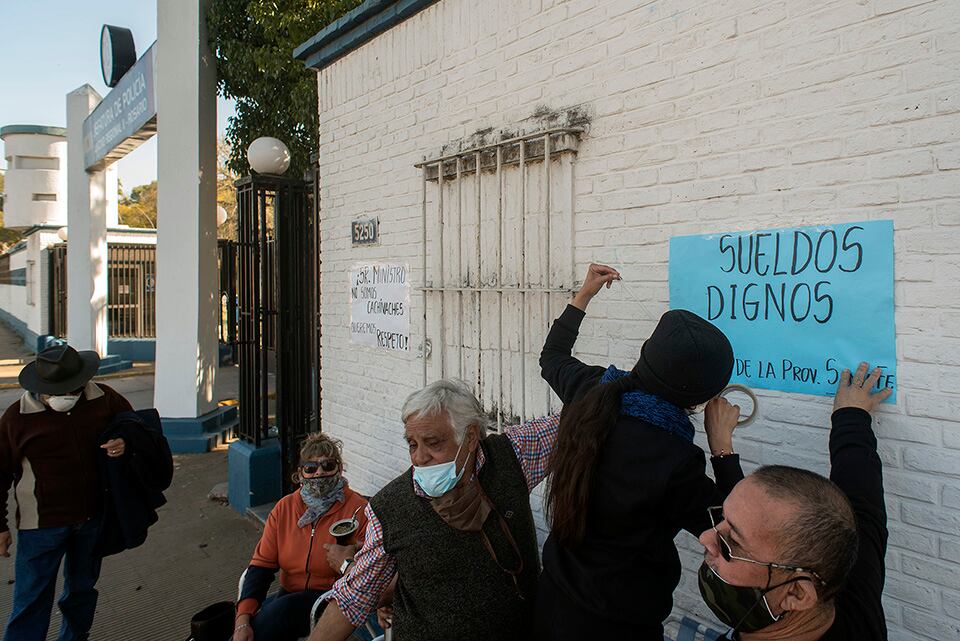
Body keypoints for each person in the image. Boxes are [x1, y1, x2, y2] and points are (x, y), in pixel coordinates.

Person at [536, 263, 745, 640]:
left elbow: (551, 357)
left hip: (550, 601)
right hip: (618, 624)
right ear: (699, 399)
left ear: (647, 354)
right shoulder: (676, 459)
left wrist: (583, 296)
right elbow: (735, 534)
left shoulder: (593, 388)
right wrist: (722, 448)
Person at [308, 379, 562, 641]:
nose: (419, 457)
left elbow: (575, 424)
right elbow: (354, 597)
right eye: (413, 444)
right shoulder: (390, 508)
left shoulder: (511, 458)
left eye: (433, 443)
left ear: (471, 437)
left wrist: (603, 388)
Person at [697, 362, 891, 640]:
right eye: (722, 520)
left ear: (797, 593)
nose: (705, 537)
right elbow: (862, 490)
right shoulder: (846, 575)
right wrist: (851, 415)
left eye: (732, 543)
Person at [0, 344, 133, 641]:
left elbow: (135, 427)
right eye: (57, 392)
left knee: (81, 592)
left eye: (72, 390)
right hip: (40, 527)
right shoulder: (15, 418)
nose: (66, 397)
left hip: (93, 519)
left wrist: (124, 441)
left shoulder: (105, 398)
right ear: (41, 387)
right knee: (31, 599)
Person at [234, 432, 369, 641]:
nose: (319, 474)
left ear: (340, 469)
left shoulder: (358, 509)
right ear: (300, 473)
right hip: (288, 594)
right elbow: (261, 566)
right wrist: (242, 619)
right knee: (248, 625)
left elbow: (369, 569)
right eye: (310, 468)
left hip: (333, 599)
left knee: (279, 613)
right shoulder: (284, 508)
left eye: (328, 466)